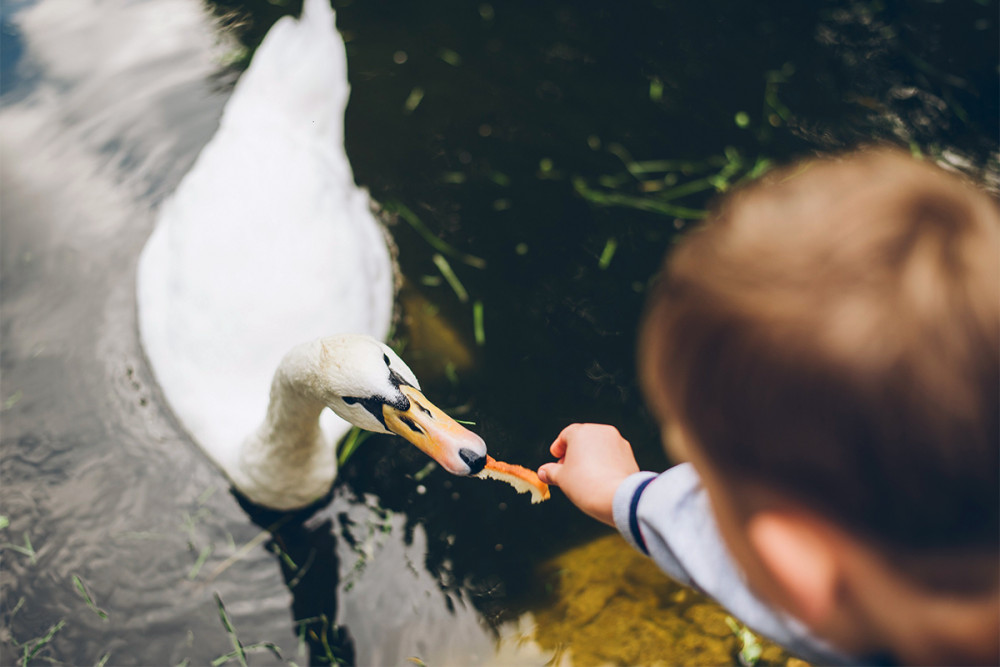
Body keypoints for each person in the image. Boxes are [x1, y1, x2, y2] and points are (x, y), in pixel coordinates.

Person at [537, 148, 999, 665]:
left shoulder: (846, 620)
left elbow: (733, 557)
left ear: (794, 572)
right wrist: (620, 494)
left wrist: (626, 494)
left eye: (706, 482)